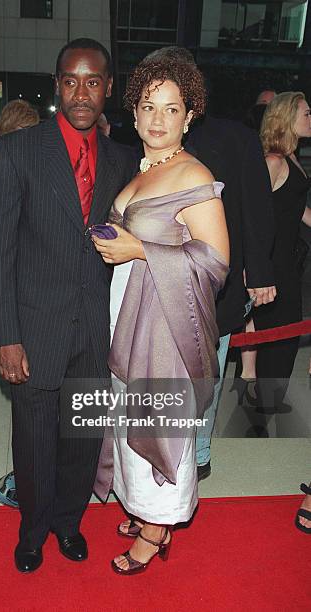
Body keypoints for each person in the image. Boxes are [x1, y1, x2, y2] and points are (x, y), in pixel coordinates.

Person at [0, 38, 137, 573]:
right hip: (34, 329)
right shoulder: (15, 152)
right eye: (71, 80)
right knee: (35, 438)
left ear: (109, 88)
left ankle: (68, 522)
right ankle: (32, 529)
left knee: (82, 438)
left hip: (96, 330)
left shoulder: (122, 160)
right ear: (56, 86)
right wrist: (5, 337)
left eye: (93, 81)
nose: (81, 93)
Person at [92, 53, 230, 574]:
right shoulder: (144, 166)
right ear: (134, 110)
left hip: (166, 320)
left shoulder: (193, 173)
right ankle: (141, 507)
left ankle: (157, 528)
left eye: (171, 109)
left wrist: (141, 252)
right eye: (148, 106)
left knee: (156, 419)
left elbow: (215, 260)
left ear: (189, 115)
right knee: (129, 414)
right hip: (127, 308)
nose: (157, 119)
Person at [139, 47, 276, 480]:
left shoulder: (234, 137)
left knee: (202, 380)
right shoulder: (141, 137)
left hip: (215, 285)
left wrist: (261, 272)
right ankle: (157, 460)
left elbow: (256, 208)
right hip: (152, 287)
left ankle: (195, 456)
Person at [252, 92, 311, 413]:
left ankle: (271, 397)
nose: (310, 118)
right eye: (306, 113)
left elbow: (296, 207)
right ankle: (264, 402)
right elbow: (254, 215)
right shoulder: (274, 161)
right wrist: (255, 267)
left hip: (288, 257)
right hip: (272, 260)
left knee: (287, 329)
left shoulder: (292, 159)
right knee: (277, 331)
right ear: (288, 119)